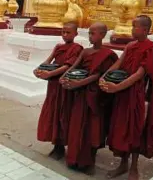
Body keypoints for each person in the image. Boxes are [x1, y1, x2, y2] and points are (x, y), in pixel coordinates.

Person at [99, 15, 153, 180]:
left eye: (135, 27)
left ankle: (134, 167)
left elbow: (139, 74)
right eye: (132, 26)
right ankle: (123, 164)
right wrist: (104, 77)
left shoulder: (151, 48)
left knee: (135, 130)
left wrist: (117, 87)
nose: (132, 30)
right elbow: (119, 63)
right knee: (121, 129)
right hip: (122, 95)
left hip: (137, 95)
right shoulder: (130, 46)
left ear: (145, 30)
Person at [62, 22, 118, 173]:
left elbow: (99, 75)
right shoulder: (85, 51)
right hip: (81, 95)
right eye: (89, 33)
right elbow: (75, 65)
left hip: (95, 96)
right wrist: (65, 76)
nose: (90, 36)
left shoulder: (108, 54)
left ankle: (90, 161)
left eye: (93, 33)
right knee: (76, 126)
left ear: (102, 35)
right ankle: (73, 159)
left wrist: (78, 83)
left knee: (93, 129)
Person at [33, 22, 83, 160]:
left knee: (63, 114)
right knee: (53, 114)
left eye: (68, 32)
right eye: (63, 32)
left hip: (65, 86)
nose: (65, 35)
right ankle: (56, 145)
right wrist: (38, 69)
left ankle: (62, 145)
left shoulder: (77, 48)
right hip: (53, 86)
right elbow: (48, 61)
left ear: (75, 34)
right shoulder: (58, 47)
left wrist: (49, 74)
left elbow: (69, 66)